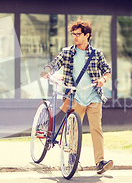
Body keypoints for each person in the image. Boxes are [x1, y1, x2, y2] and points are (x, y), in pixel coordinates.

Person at [41, 18, 113, 174]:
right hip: (75, 97)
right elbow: (55, 63)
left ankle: (100, 162)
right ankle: (72, 157)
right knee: (73, 129)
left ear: (87, 35)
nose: (75, 37)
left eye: (78, 34)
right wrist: (47, 70)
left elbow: (107, 71)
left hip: (94, 97)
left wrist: (102, 79)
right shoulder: (67, 52)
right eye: (73, 34)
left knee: (96, 129)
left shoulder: (96, 54)